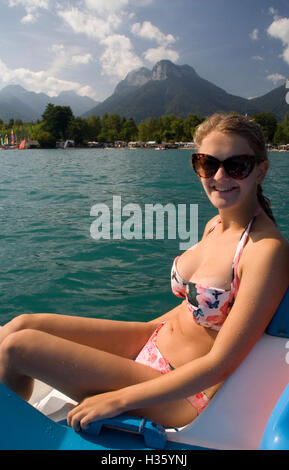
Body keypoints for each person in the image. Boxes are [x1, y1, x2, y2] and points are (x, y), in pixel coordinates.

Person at [0, 113, 288, 431]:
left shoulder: (265, 250)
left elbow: (219, 364)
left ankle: (13, 430)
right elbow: (191, 308)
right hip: (154, 343)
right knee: (20, 325)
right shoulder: (216, 224)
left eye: (237, 166)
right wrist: (130, 337)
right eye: (208, 163)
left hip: (183, 391)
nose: (219, 176)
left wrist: (120, 399)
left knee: (18, 348)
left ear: (261, 170)